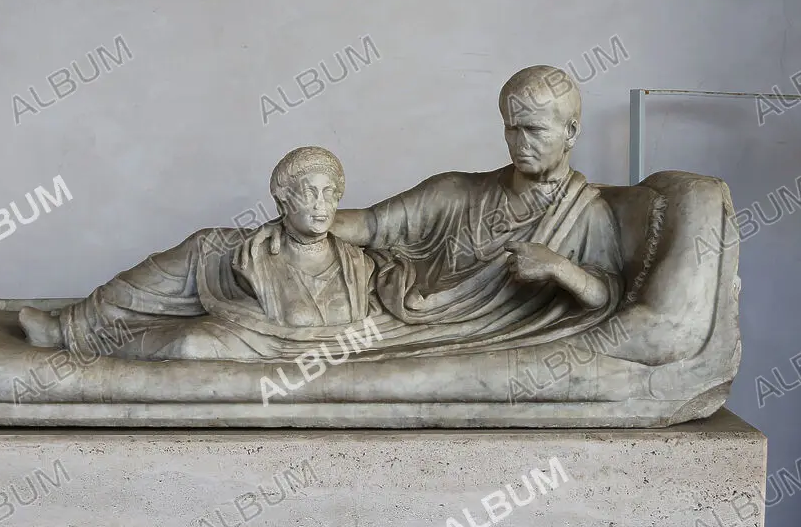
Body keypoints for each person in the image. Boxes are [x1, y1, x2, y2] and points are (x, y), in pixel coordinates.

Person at [239, 65, 625, 352]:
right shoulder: (455, 191)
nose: (520, 142)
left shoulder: (586, 213)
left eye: (535, 130)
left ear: (571, 131)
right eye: (512, 128)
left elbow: (608, 297)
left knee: (277, 325)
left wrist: (559, 268)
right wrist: (291, 224)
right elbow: (370, 224)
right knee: (245, 267)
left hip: (448, 330)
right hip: (389, 298)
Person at [17, 147, 379, 360]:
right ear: (283, 200)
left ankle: (99, 338)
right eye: (309, 193)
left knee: (189, 345)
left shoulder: (356, 266)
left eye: (330, 194)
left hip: (281, 339)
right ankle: (68, 327)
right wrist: (281, 228)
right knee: (202, 249)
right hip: (239, 272)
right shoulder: (242, 252)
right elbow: (375, 222)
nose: (321, 204)